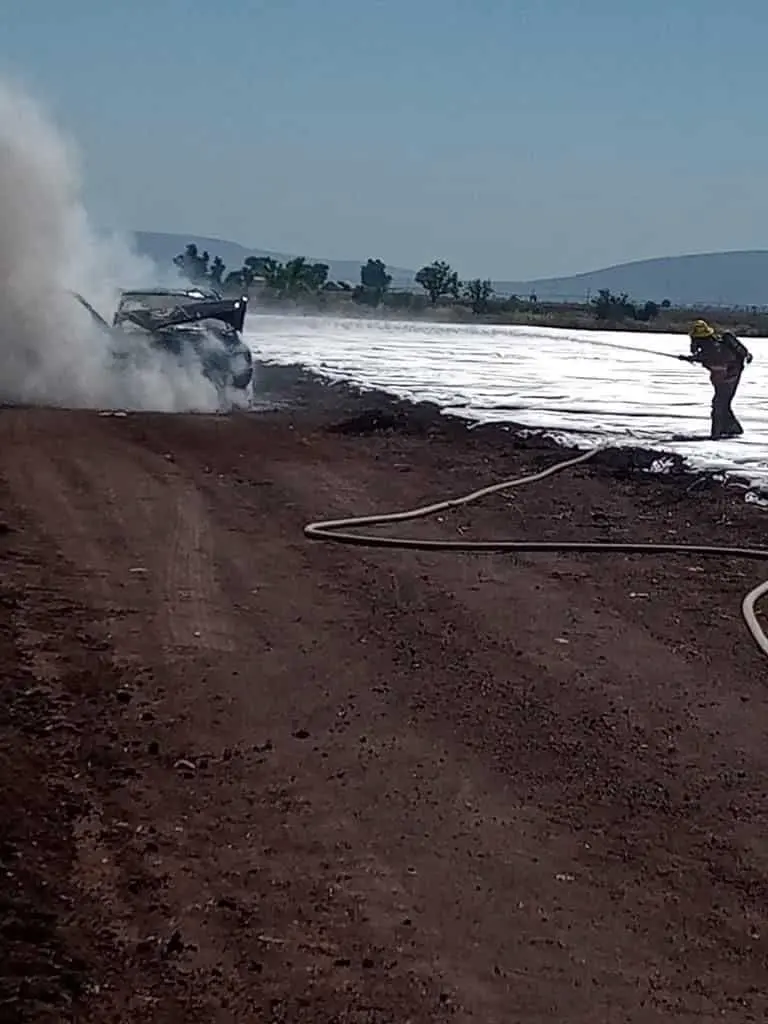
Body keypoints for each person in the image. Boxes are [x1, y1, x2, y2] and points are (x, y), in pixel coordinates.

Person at [678, 320, 753, 440]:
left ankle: (716, 434)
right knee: (722, 404)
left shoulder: (713, 348)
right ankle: (732, 429)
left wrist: (693, 358)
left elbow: (712, 358)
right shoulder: (710, 346)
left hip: (729, 378)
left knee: (719, 404)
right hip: (724, 379)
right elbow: (705, 357)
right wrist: (692, 358)